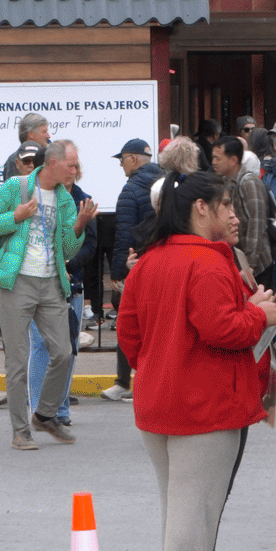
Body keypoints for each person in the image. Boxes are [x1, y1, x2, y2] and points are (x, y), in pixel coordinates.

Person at [117, 170, 276, 551]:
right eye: (226, 205)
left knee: (179, 508)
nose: (233, 214)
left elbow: (129, 333)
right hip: (205, 404)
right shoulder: (208, 263)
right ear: (201, 209)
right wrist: (259, 314)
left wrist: (157, 363)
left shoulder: (150, 261)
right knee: (195, 510)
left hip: (159, 399)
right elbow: (221, 329)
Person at [0, 138, 96, 449]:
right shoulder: (16, 188)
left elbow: (68, 249)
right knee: (18, 361)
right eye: (70, 165)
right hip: (17, 280)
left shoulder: (66, 200)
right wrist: (15, 217)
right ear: (53, 163)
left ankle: (44, 415)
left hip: (51, 282)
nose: (75, 171)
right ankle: (21, 431)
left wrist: (80, 225)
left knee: (63, 352)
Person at [105, 138, 161, 404]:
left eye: (123, 159)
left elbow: (123, 234)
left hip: (137, 267)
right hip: (164, 266)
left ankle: (123, 382)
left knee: (128, 325)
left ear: (135, 159)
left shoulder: (131, 189)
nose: (121, 165)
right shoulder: (168, 184)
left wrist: (117, 272)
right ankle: (153, 380)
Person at [215, 136, 275, 286]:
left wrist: (250, 265)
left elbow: (257, 224)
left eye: (218, 158)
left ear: (233, 160)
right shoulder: (225, 182)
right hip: (240, 262)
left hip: (257, 266)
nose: (213, 162)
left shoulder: (248, 182)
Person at [3, 112, 52, 179]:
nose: (48, 136)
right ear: (31, 134)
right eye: (44, 132)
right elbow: (12, 189)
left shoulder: (51, 156)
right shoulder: (14, 160)